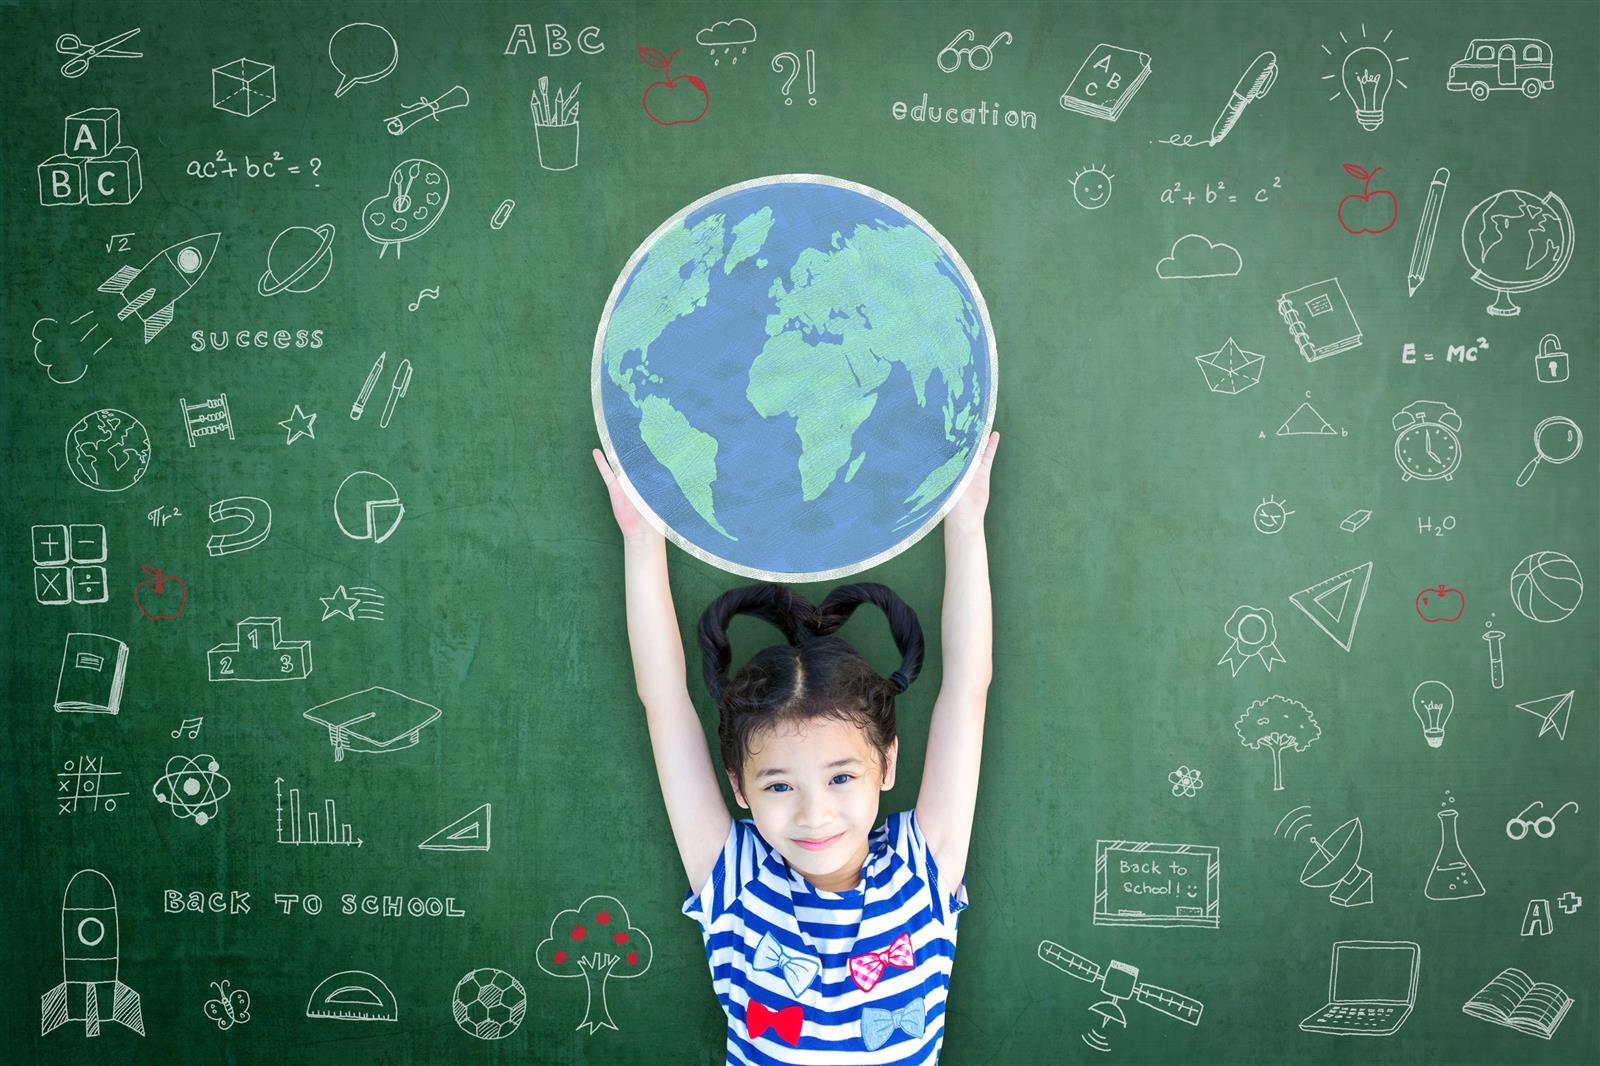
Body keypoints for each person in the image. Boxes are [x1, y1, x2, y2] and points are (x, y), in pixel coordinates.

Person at [591, 431, 998, 1064]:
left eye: (841, 777)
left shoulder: (923, 871)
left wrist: (965, 522)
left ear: (886, 763)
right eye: (779, 785)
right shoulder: (735, 882)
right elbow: (665, 705)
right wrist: (643, 542)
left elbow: (967, 692)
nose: (813, 814)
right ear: (739, 788)